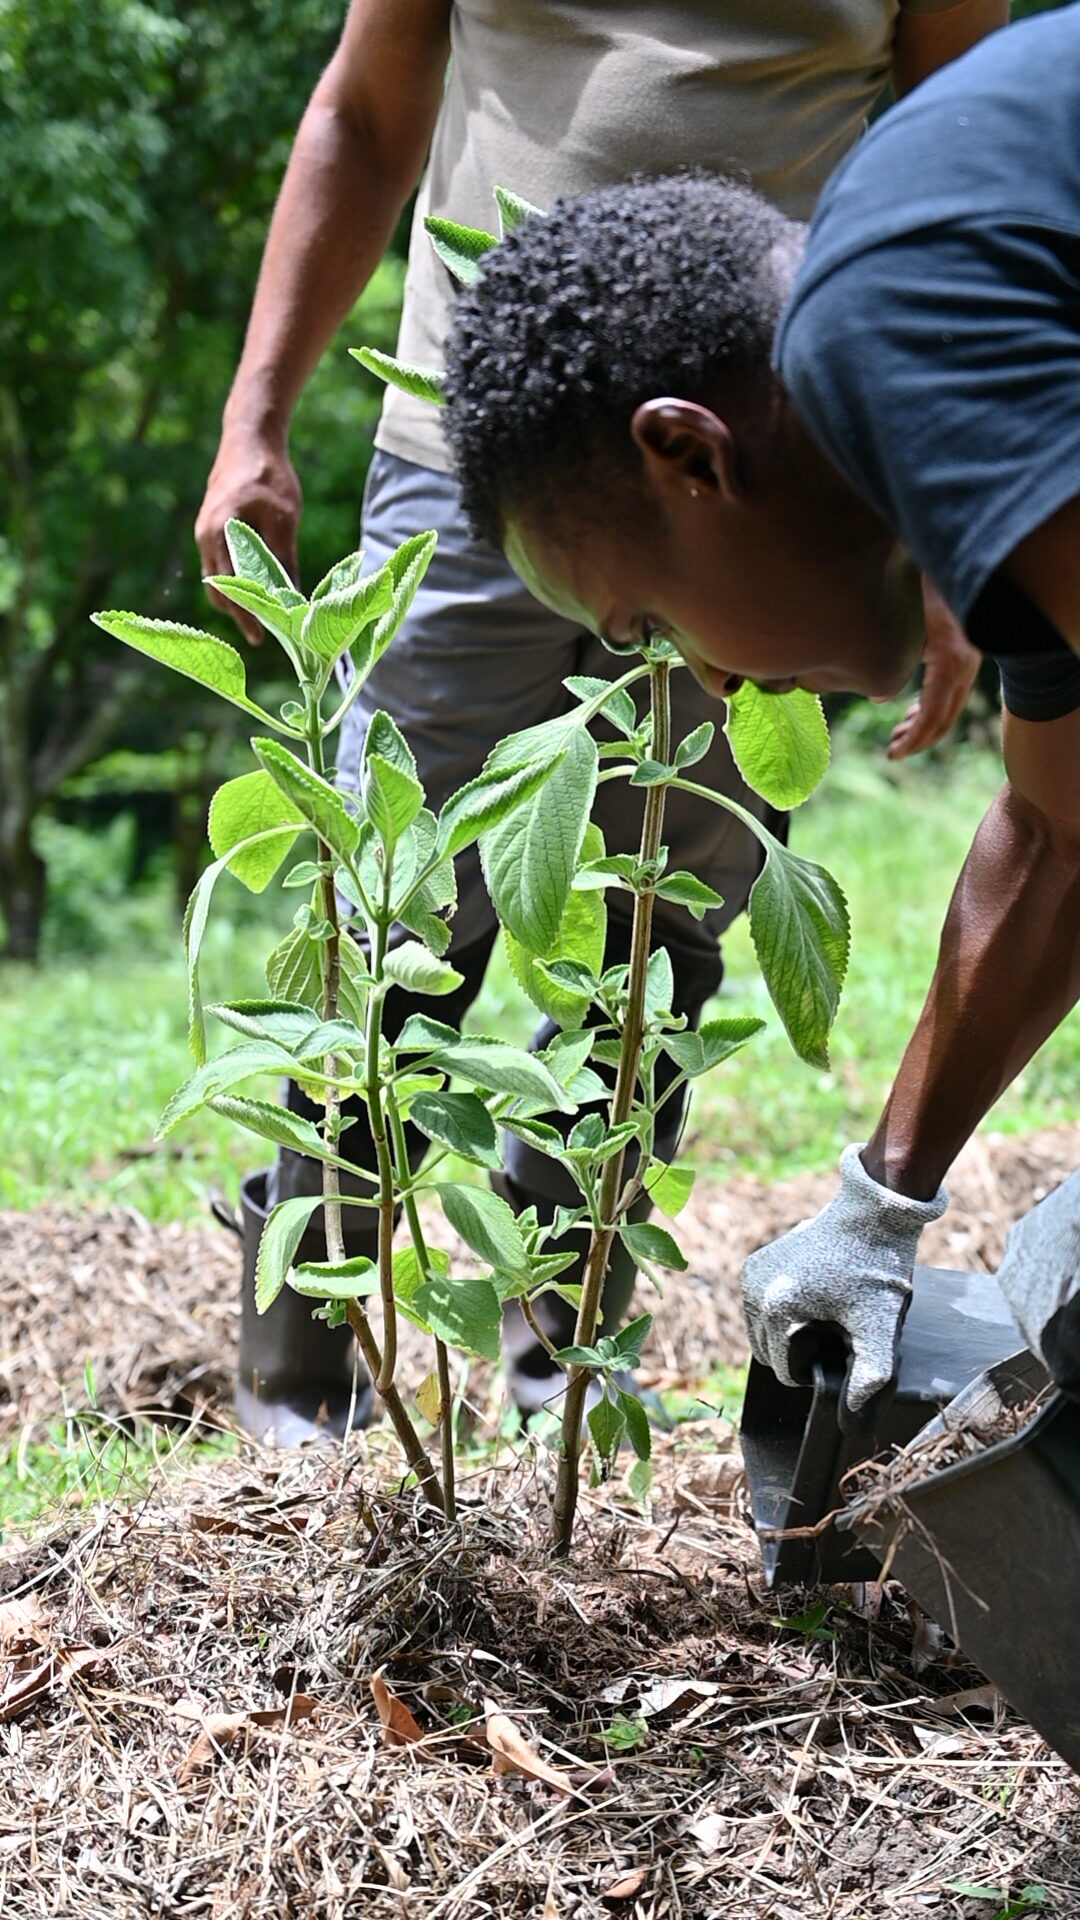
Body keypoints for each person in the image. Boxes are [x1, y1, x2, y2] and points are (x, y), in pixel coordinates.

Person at [196, 0, 997, 1443]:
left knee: (656, 928)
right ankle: (304, 1361)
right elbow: (366, 116)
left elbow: (950, 172)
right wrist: (257, 415)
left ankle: (567, 1352)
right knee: (389, 903)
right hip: (470, 456)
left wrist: (936, 504)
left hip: (771, 481)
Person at [436, 2, 1080, 1422]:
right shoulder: (949, 342)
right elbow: (1057, 835)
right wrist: (880, 1204)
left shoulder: (904, 327)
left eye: (650, 622)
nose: (704, 681)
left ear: (689, 458)